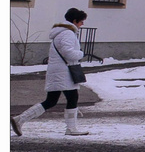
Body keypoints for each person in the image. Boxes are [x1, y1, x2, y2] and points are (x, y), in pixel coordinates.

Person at [13, 8, 92, 136]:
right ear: (75, 21)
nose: (82, 24)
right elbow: (68, 52)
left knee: (52, 100)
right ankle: (71, 128)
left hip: (58, 71)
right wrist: (81, 54)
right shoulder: (68, 33)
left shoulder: (61, 32)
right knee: (72, 97)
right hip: (64, 72)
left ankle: (20, 119)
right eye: (81, 21)